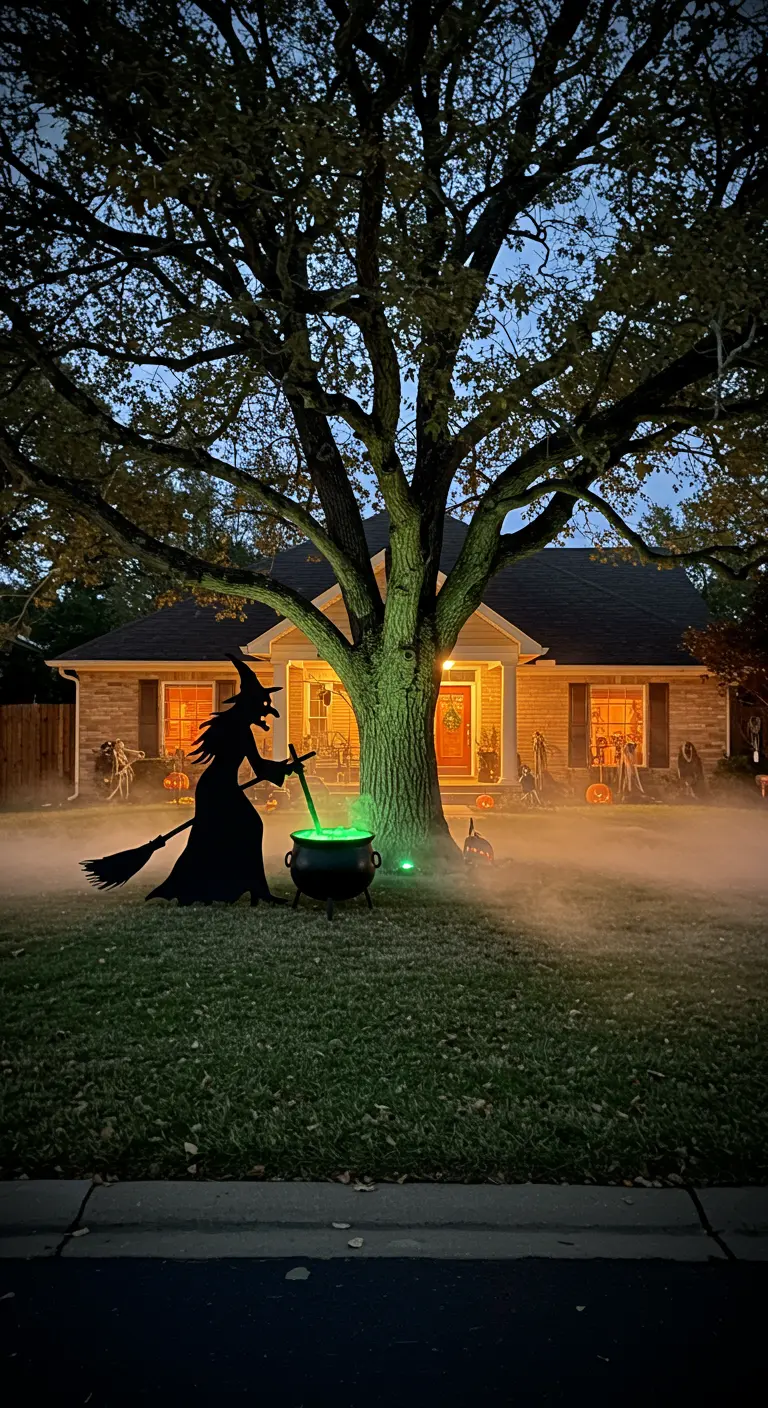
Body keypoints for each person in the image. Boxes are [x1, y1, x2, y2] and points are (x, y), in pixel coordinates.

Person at [147, 654, 299, 906]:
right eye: (263, 706)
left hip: (219, 786)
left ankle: (240, 887)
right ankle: (198, 888)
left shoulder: (237, 725)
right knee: (230, 831)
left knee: (225, 832)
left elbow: (258, 765)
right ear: (250, 704)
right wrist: (288, 769)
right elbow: (259, 767)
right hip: (216, 788)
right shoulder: (238, 728)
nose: (267, 713)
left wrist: (284, 768)